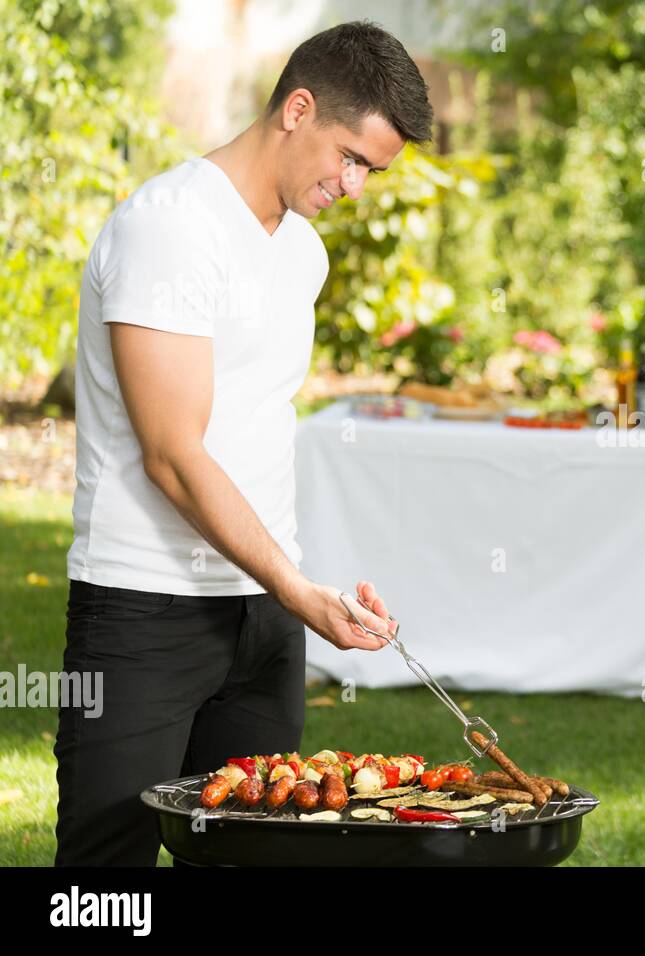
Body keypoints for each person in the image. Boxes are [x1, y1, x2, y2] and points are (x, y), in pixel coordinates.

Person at [54, 22, 434, 865]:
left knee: (257, 855)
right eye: (350, 158)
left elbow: (253, 418)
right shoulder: (169, 228)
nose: (354, 187)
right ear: (297, 109)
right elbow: (172, 456)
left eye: (371, 171)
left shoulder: (302, 252)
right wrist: (301, 591)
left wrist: (291, 598)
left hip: (264, 618)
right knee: (107, 872)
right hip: (145, 609)